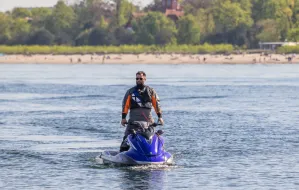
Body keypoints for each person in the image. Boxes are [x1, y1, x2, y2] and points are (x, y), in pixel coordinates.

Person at [120, 71, 164, 152]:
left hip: (148, 122)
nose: (138, 80)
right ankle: (122, 154)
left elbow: (156, 104)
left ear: (145, 79)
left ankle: (155, 153)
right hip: (133, 122)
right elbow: (125, 106)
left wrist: (160, 117)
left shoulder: (151, 91)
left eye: (141, 78)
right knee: (125, 141)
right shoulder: (130, 92)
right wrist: (123, 118)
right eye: (137, 79)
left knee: (153, 139)